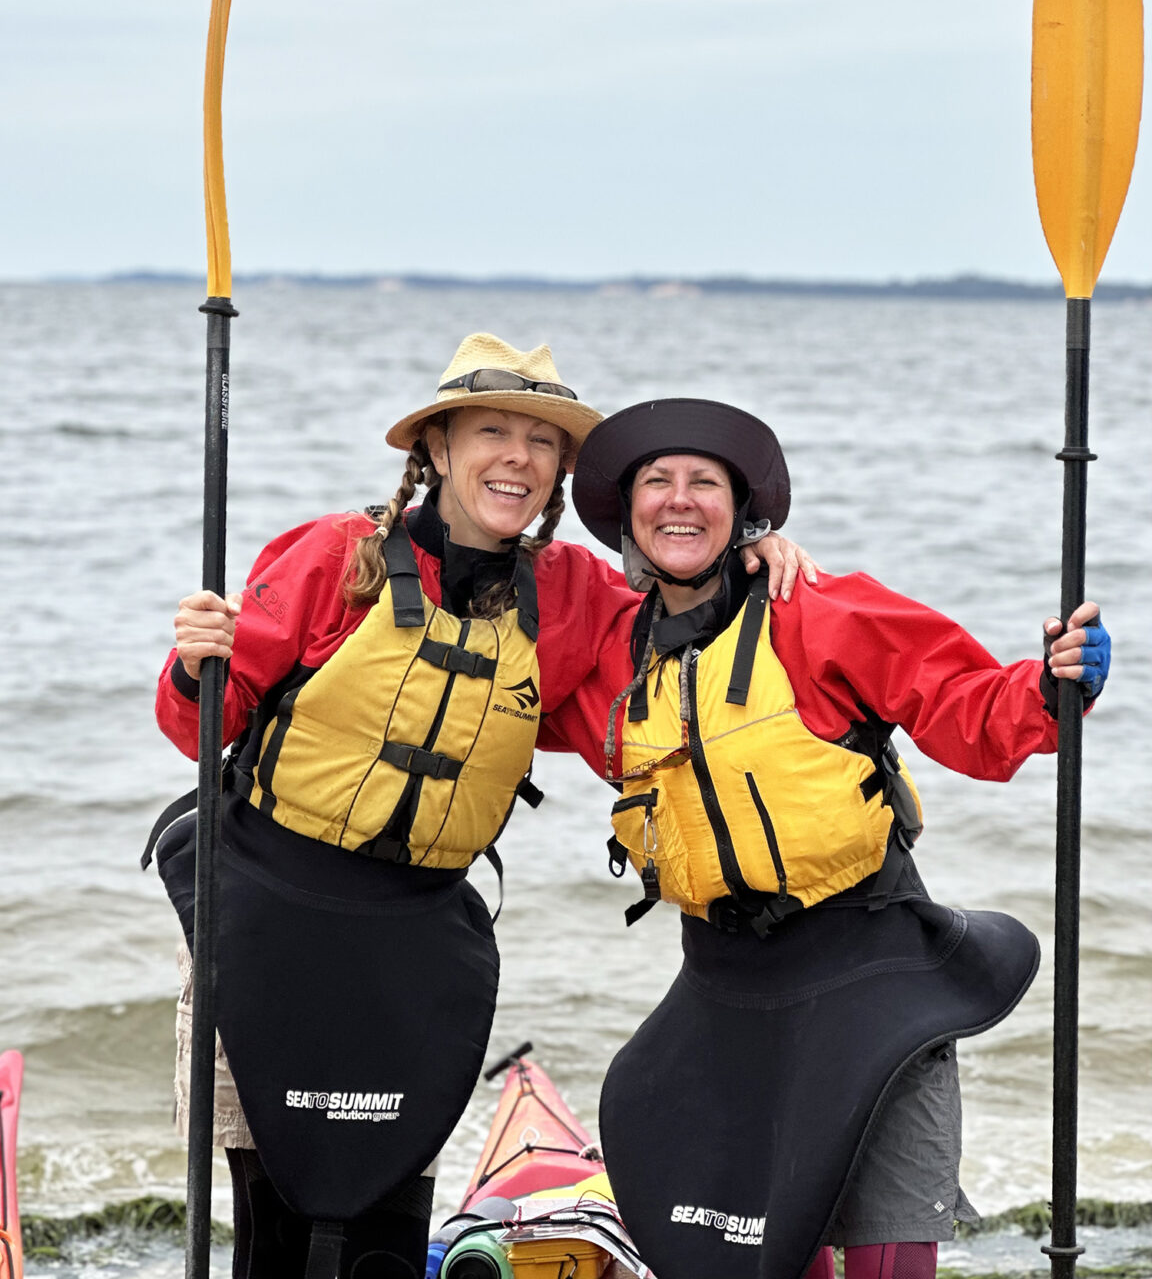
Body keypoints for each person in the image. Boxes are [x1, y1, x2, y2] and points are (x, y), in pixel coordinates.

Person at [149, 336, 812, 1279]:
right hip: (268, 919)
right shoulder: (337, 556)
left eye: (543, 441)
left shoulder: (574, 596)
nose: (518, 457)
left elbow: (681, 650)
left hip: (412, 939)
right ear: (439, 450)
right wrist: (193, 660)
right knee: (272, 1210)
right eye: (492, 431)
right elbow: (198, 726)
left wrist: (748, 558)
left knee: (387, 1205)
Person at [563, 396, 1111, 1279]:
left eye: (705, 482)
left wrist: (1050, 689)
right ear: (626, 515)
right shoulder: (609, 661)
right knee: (754, 1249)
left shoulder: (816, 610)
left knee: (889, 1252)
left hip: (870, 970)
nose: (679, 500)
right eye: (656, 482)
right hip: (729, 987)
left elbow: (966, 708)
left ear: (744, 512)